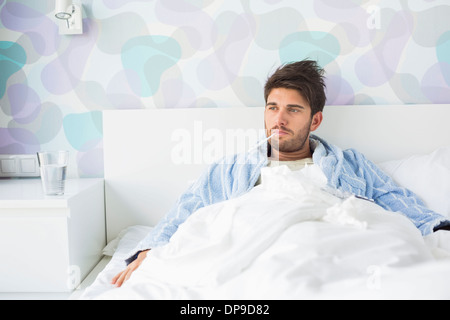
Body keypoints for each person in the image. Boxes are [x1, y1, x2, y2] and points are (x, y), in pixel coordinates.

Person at [111, 60, 450, 287]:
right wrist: (150, 249)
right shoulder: (232, 169)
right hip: (257, 232)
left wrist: (439, 228)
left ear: (314, 120)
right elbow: (187, 210)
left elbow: (392, 199)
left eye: (293, 110)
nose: (279, 120)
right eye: (273, 108)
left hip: (329, 235)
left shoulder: (350, 163)